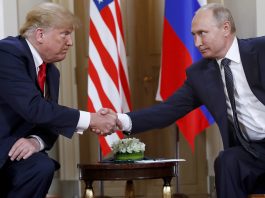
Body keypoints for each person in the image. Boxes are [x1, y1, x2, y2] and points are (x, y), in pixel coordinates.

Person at [113, 3, 265, 198]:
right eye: (194, 35)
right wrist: (120, 120)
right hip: (251, 152)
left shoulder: (260, 50)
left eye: (202, 33)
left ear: (225, 28)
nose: (197, 43)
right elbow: (167, 110)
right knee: (227, 161)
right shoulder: (200, 74)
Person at [0, 2, 117, 198]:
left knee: (41, 167)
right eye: (64, 33)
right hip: (3, 144)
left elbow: (50, 119)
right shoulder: (7, 53)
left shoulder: (51, 72)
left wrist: (36, 142)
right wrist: (91, 120)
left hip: (14, 150)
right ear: (40, 35)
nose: (70, 42)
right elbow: (34, 109)